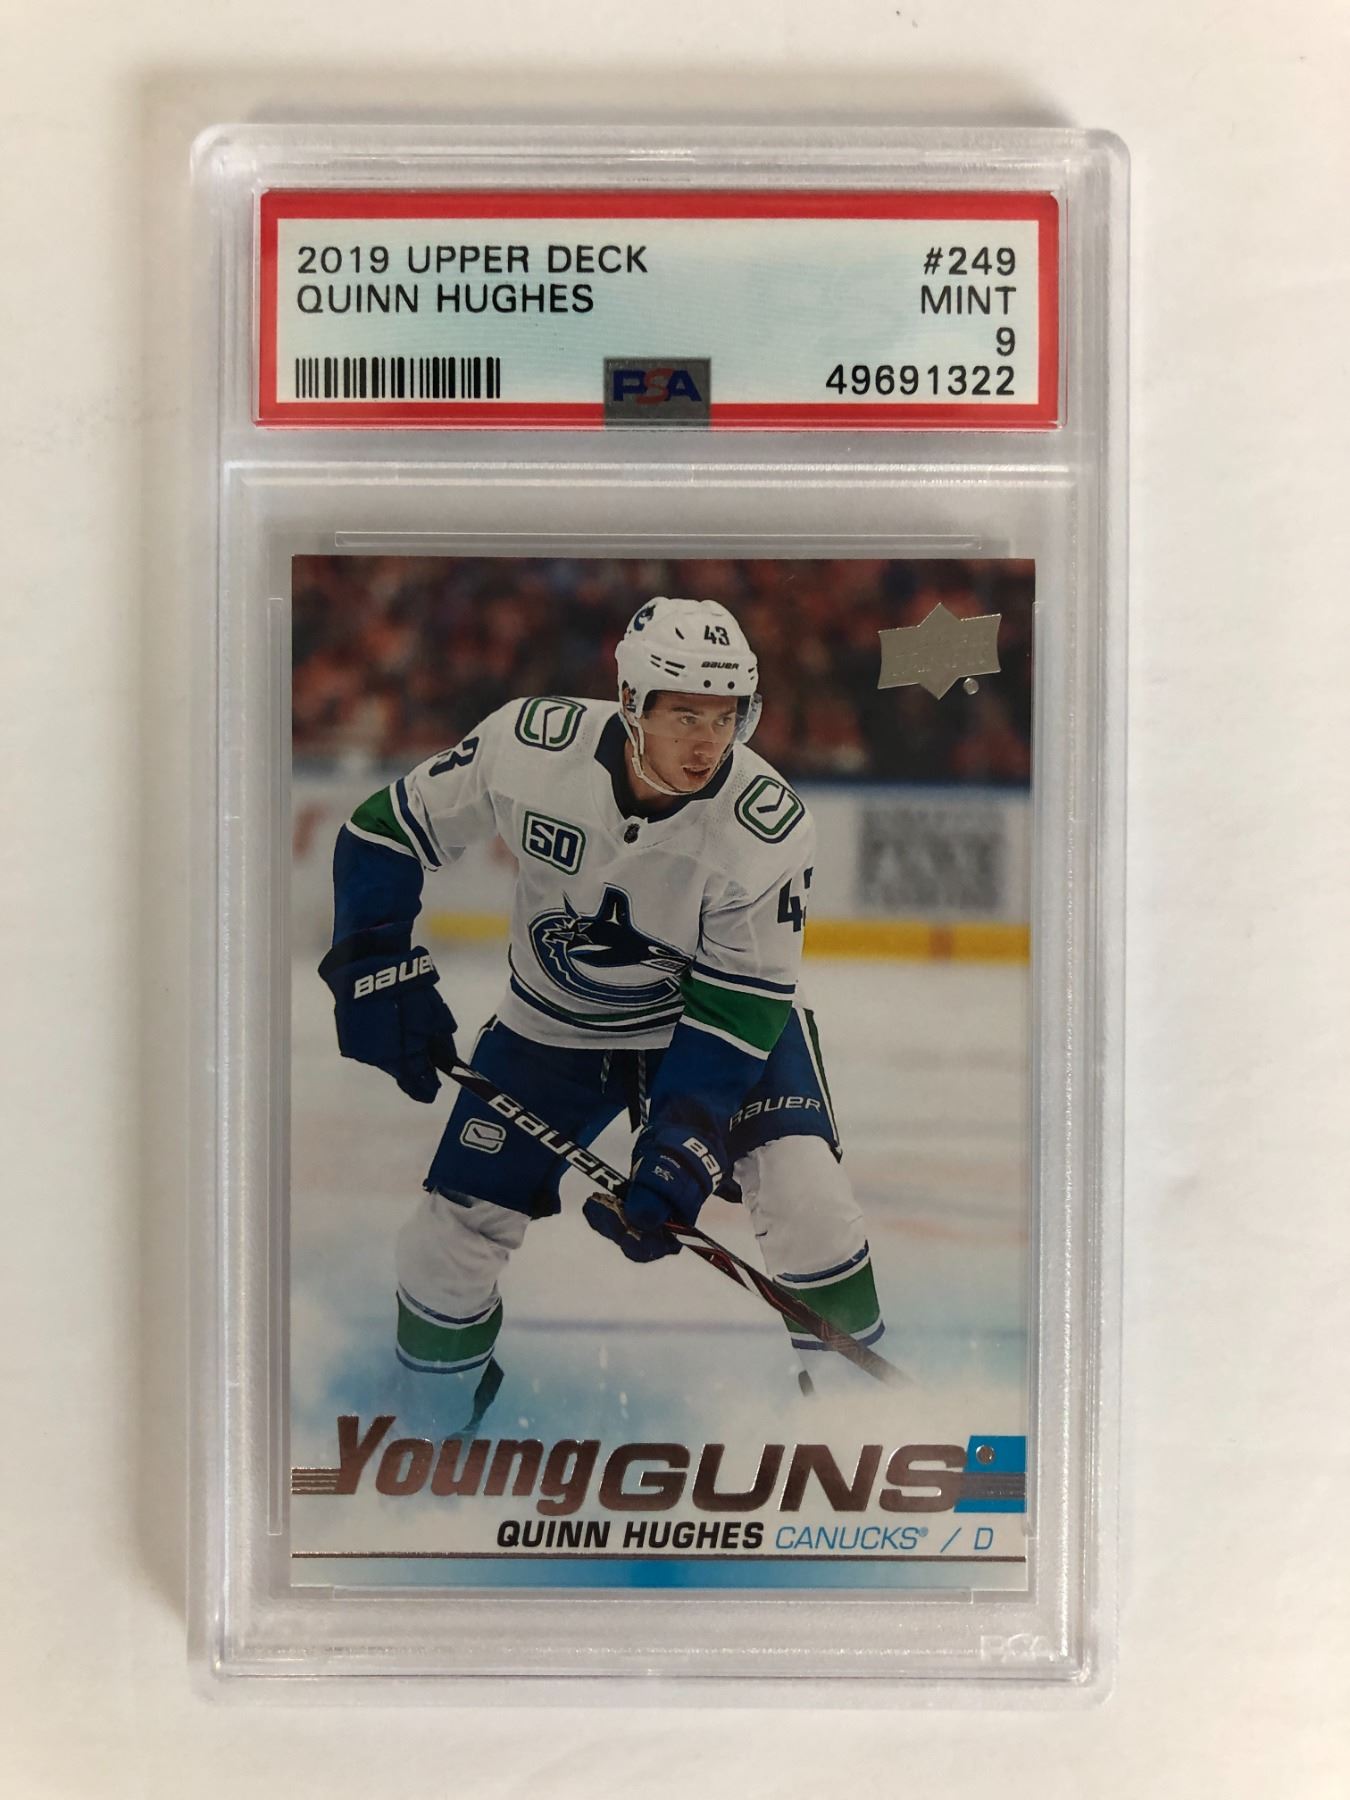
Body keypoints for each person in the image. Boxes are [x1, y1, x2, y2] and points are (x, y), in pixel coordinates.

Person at [319, 596, 883, 1425]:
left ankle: (862, 1425)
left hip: (710, 1027)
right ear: (630, 702)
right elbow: (386, 830)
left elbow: (738, 1011)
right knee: (447, 1243)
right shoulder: (529, 747)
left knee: (809, 1201)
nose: (708, 743)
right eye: (684, 716)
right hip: (552, 1029)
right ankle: (430, 1425)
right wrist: (371, 965)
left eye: (725, 717)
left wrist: (682, 1149)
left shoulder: (764, 828)